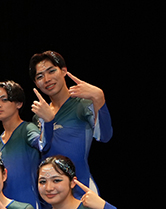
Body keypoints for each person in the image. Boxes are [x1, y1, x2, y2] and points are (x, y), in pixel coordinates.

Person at [29, 51, 111, 196]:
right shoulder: (39, 115)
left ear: (64, 71)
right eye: (40, 76)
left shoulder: (82, 105)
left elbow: (104, 136)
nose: (47, 79)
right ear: (36, 83)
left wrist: (99, 98)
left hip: (81, 191)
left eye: (51, 71)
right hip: (50, 194)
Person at [0, 80, 53, 209]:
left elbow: (43, 145)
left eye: (4, 100)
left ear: (19, 103)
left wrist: (47, 121)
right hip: (5, 206)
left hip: (29, 203)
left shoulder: (27, 129)